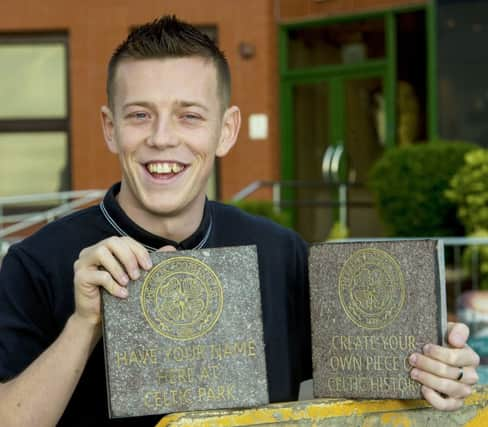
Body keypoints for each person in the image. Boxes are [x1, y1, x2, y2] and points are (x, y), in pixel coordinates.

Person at [0, 15, 480, 427]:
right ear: (110, 128)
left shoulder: (281, 253)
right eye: (140, 115)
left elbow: (376, 381)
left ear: (226, 131)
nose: (163, 138)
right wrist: (85, 325)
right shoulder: (36, 264)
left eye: (189, 116)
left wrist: (440, 372)